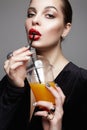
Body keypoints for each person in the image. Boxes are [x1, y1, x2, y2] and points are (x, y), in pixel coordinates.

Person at [0, 0, 87, 130]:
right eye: (31, 14)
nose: (35, 20)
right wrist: (14, 90)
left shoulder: (83, 83)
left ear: (65, 28)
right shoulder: (12, 79)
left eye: (49, 15)